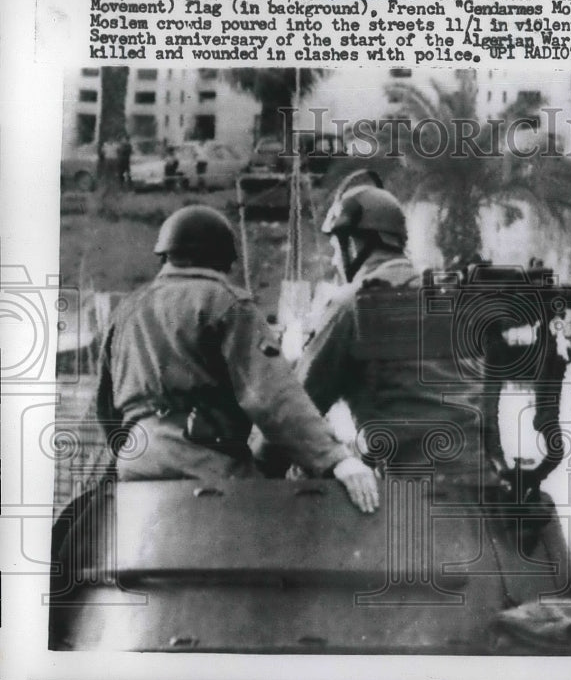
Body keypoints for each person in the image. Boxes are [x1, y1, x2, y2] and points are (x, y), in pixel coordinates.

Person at [92, 204, 378, 511]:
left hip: (135, 469)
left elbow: (107, 409)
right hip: (208, 470)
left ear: (165, 255)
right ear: (223, 260)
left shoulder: (126, 311)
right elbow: (273, 395)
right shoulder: (227, 305)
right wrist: (336, 459)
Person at [296, 177, 506, 491]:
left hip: (409, 498)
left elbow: (298, 407)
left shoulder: (353, 305)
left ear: (352, 244)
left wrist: (254, 467)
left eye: (334, 250)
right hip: (479, 492)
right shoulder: (450, 301)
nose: (334, 260)